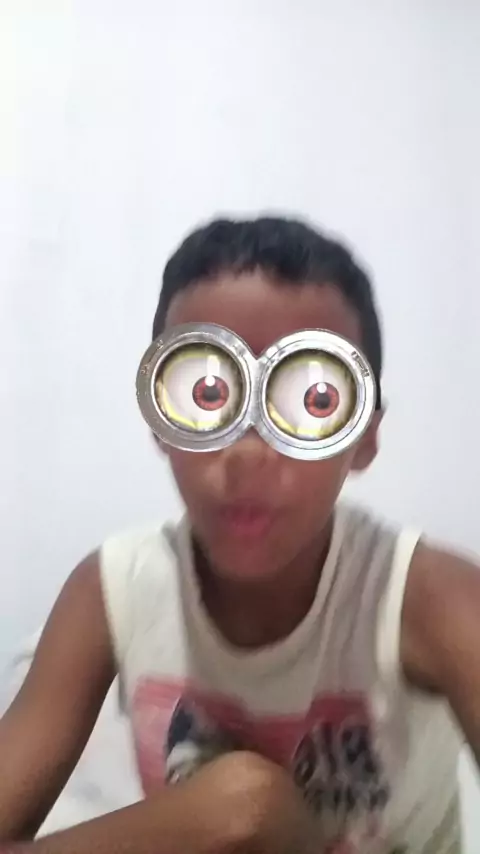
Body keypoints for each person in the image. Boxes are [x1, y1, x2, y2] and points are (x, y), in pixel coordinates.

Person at [1, 216, 478, 854]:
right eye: (206, 393)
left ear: (364, 436)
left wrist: (244, 812)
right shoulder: (114, 589)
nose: (249, 453)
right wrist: (225, 815)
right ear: (160, 419)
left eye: (313, 400)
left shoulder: (425, 598)